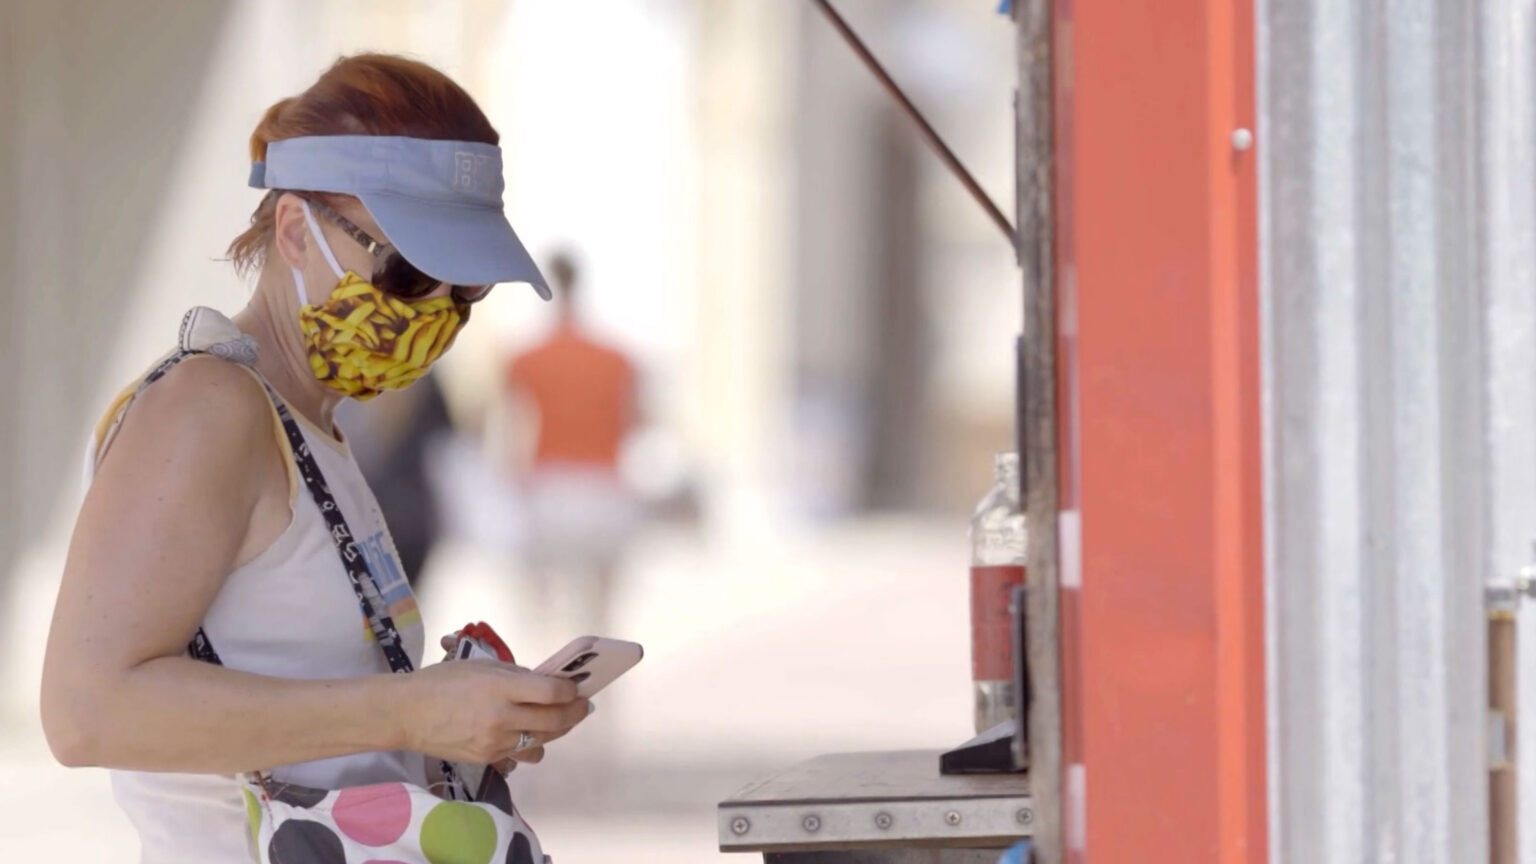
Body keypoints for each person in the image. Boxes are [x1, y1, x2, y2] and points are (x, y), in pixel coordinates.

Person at [40, 55, 590, 864]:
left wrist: (454, 723)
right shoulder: (208, 406)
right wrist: (406, 713)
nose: (437, 313)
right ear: (295, 230)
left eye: (467, 289)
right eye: (407, 271)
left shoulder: (306, 421)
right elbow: (87, 711)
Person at [504, 252, 640, 639]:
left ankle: (552, 691)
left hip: (551, 488)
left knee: (548, 617)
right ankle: (604, 690)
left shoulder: (527, 358)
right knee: (601, 615)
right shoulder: (616, 358)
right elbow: (634, 421)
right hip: (604, 486)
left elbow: (513, 431)